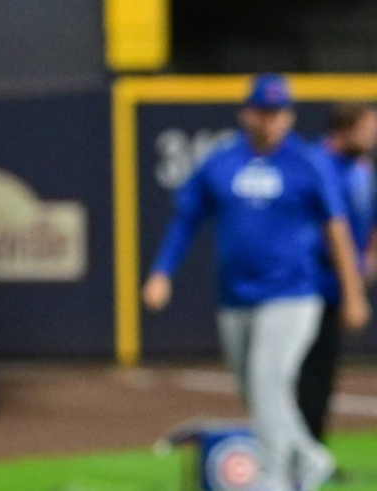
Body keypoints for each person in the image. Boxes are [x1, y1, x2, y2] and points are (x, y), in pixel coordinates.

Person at [141, 74, 372, 491]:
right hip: (236, 296)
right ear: (247, 113)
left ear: (290, 115)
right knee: (254, 390)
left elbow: (336, 230)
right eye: (264, 111)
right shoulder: (222, 161)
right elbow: (187, 217)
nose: (272, 120)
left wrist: (352, 292)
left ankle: (276, 476)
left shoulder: (306, 163)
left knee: (269, 380)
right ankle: (311, 457)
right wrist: (162, 271)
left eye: (280, 112)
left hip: (293, 293)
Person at [298, 103, 377, 443]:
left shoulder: (361, 167)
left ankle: (313, 449)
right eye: (368, 128)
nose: (373, 136)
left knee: (323, 370)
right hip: (307, 282)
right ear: (346, 128)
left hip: (339, 285)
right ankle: (297, 450)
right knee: (302, 370)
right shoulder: (314, 164)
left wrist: (368, 259)